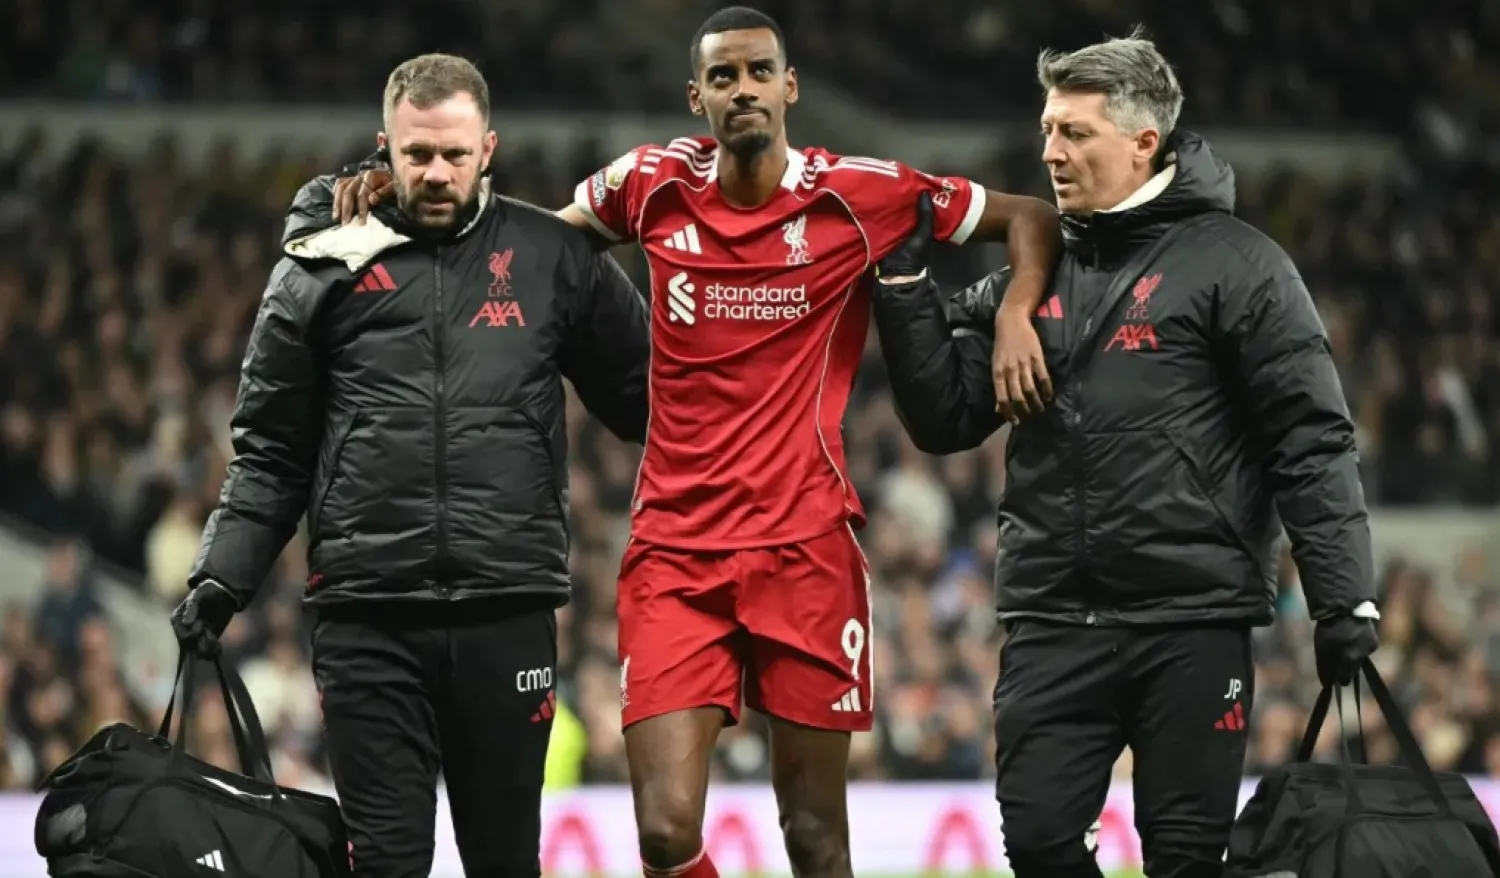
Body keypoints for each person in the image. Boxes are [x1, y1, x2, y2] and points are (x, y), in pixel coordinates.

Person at [330, 8, 1060, 878]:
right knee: (666, 835)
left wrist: (1015, 314)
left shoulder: (860, 191)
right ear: (696, 96)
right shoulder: (651, 184)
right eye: (722, 77)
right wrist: (409, 200)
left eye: (758, 72)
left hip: (806, 546)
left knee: (816, 839)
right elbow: (531, 249)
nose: (742, 89)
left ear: (789, 88)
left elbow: (1032, 219)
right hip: (676, 549)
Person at [868, 31, 1380, 878]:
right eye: (1047, 130)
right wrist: (906, 291)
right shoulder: (1029, 278)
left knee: (1186, 859)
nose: (1051, 152)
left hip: (1192, 619)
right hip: (1053, 618)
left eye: (1074, 132)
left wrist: (1344, 598)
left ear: (1144, 141)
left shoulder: (1241, 265)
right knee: (1036, 841)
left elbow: (1310, 436)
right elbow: (947, 416)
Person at [170, 54, 651, 878]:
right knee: (387, 864)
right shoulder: (320, 263)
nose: (436, 173)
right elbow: (272, 448)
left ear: (488, 149)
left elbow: (654, 400)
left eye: (455, 156)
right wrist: (222, 575)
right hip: (367, 622)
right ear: (382, 148)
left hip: (508, 611)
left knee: (505, 862)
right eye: (417, 153)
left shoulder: (552, 256)